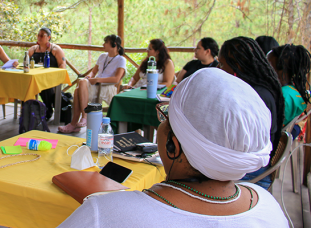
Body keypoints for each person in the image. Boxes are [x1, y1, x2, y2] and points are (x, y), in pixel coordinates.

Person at [58, 69, 288, 227]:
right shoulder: (268, 207)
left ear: (172, 146)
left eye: (165, 120)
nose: (162, 123)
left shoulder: (104, 213)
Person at [218, 36, 284, 189]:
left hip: (251, 173)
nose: (219, 70)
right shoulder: (258, 87)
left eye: (222, 64)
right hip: (251, 165)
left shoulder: (255, 95)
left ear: (238, 66)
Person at [58, 35, 126, 134]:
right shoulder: (103, 56)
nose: (103, 44)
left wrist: (98, 80)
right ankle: (80, 120)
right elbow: (93, 72)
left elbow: (117, 79)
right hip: (95, 85)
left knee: (78, 89)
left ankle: (78, 121)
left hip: (107, 87)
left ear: (114, 44)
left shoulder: (121, 60)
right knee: (81, 83)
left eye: (106, 42)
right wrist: (89, 77)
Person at [267, 44, 311, 131]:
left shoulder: (284, 97)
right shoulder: (293, 92)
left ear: (282, 69)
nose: (264, 69)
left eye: (269, 65)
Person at [27, 27, 66, 120]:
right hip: (36, 77)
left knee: (45, 85)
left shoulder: (56, 49)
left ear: (49, 37)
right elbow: (26, 63)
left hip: (51, 78)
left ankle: (48, 110)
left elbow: (62, 64)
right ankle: (27, 110)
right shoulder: (33, 49)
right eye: (38, 35)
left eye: (42, 35)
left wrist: (58, 79)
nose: (39, 37)